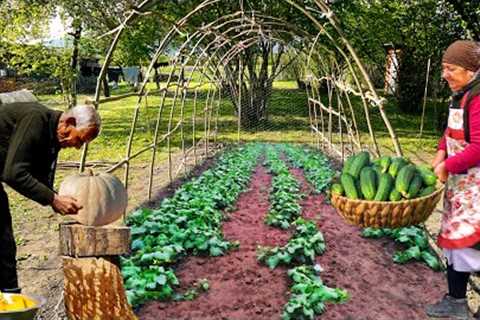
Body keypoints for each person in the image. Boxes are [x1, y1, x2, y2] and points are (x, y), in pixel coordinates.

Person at [0, 101, 101, 293]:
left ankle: (9, 300)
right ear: (68, 122)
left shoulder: (52, 137)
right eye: (78, 139)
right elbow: (14, 173)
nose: (78, 147)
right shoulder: (36, 119)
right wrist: (53, 199)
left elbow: (40, 175)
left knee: (4, 243)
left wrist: (56, 197)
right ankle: (9, 297)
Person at [426, 40, 480, 320]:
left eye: (452, 68)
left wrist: (448, 165)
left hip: (476, 188)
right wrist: (440, 152)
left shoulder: (479, 97)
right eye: (443, 68)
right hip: (462, 184)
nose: (445, 74)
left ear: (471, 69)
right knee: (455, 245)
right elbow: (452, 129)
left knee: (475, 248)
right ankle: (456, 302)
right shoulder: (461, 94)